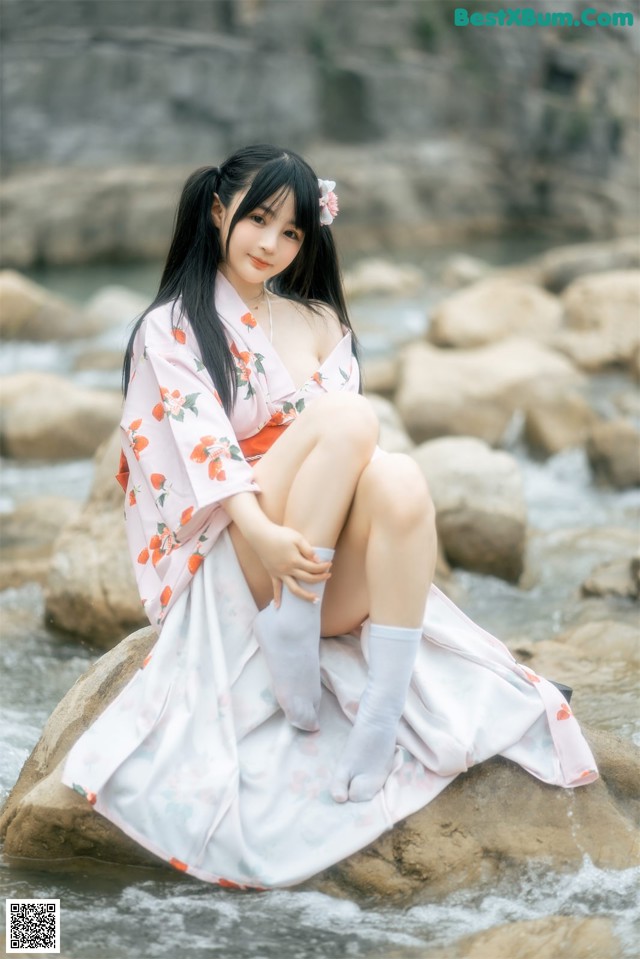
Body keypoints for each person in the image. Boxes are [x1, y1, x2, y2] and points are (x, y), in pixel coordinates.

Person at [62, 144, 598, 889]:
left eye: (291, 233)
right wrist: (268, 537)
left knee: (404, 479)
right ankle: (290, 618)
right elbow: (199, 451)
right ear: (218, 212)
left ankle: (379, 709)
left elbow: (354, 471)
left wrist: (313, 538)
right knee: (350, 418)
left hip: (308, 557)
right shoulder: (173, 326)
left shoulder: (316, 320)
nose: (271, 245)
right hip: (240, 549)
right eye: (257, 219)